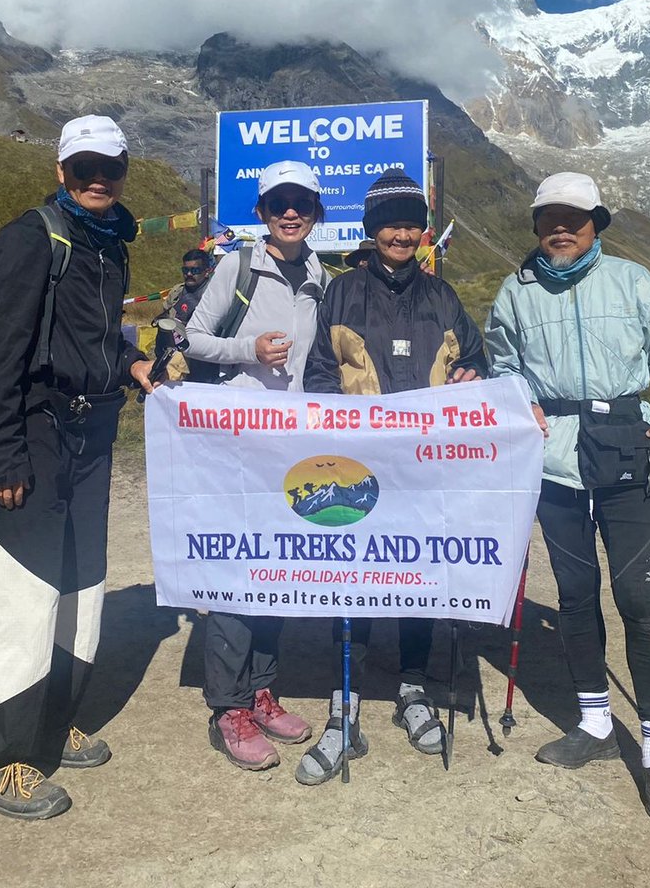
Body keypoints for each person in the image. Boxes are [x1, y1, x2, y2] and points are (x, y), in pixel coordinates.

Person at [484, 172, 650, 826]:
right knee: (575, 599)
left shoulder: (632, 281)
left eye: (573, 217)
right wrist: (514, 400)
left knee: (638, 599)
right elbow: (500, 367)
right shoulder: (513, 293)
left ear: (595, 223)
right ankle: (596, 725)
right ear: (535, 224)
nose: (559, 226)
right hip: (553, 463)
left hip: (623, 449)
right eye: (547, 215)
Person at [0, 115, 154, 820]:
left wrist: (132, 363)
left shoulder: (108, 244)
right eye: (84, 167)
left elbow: (96, 335)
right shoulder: (29, 237)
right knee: (17, 588)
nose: (99, 178)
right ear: (61, 172)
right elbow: (1, 356)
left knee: (79, 585)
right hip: (36, 435)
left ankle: (47, 725)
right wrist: (3, 452)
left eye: (111, 166)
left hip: (93, 433)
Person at [296, 168, 487, 786]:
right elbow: (319, 376)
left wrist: (470, 379)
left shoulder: (443, 296)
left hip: (426, 469)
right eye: (389, 224)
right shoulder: (343, 292)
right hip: (358, 467)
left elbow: (477, 363)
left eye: (411, 223)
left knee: (417, 574)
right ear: (372, 229)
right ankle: (342, 703)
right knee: (352, 580)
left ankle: (412, 687)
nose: (402, 234)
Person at [185, 160, 329, 772]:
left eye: (301, 203)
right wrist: (248, 349)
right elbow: (189, 337)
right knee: (237, 569)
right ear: (262, 212)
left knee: (277, 572)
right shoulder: (238, 265)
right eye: (278, 204)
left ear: (316, 213)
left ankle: (263, 692)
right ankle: (229, 708)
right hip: (238, 443)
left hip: (294, 448)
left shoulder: (323, 274)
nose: (289, 212)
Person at [153, 248, 215, 380]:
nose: (189, 274)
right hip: (172, 356)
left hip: (200, 359)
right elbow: (165, 315)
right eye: (185, 270)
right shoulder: (177, 292)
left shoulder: (213, 294)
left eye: (195, 270)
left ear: (207, 271)